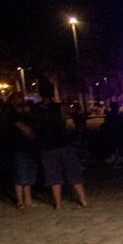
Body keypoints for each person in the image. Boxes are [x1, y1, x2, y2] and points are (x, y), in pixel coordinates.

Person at [33, 80, 89, 209]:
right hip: (64, 143)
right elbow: (67, 122)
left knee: (53, 175)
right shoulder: (59, 107)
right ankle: (83, 200)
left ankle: (57, 204)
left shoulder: (35, 109)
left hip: (47, 145)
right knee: (73, 172)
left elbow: (35, 127)